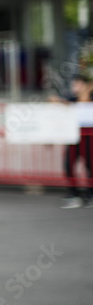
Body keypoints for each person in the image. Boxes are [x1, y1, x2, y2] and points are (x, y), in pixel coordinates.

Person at [52, 72, 93, 208]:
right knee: (68, 164)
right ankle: (73, 193)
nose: (75, 86)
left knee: (90, 166)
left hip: (89, 137)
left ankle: (90, 194)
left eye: (79, 83)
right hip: (73, 137)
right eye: (75, 83)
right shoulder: (71, 99)